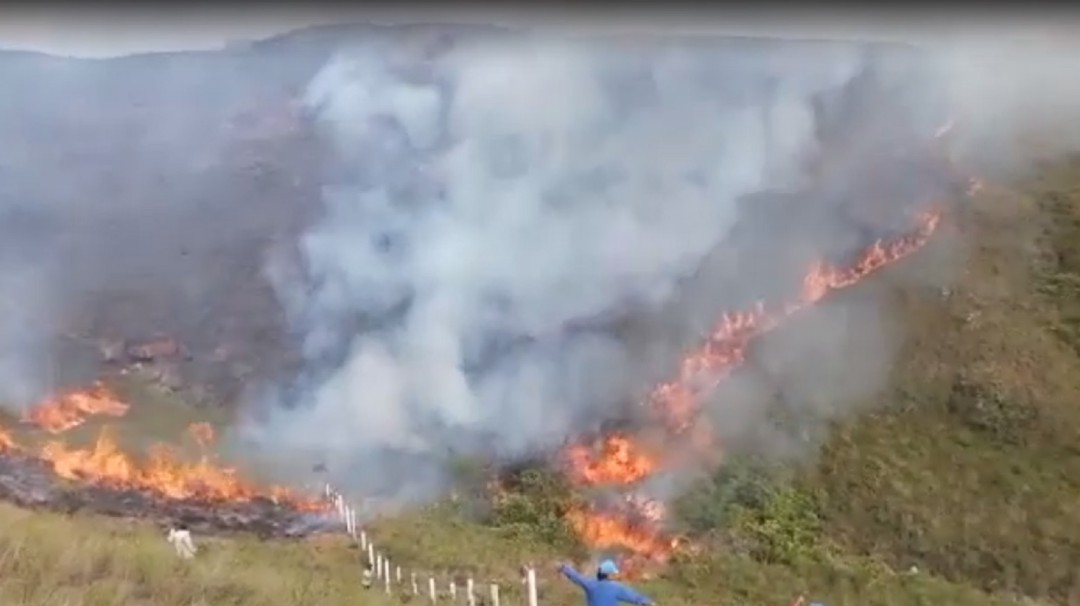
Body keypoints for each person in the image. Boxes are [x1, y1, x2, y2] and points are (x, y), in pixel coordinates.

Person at [557, 559, 654, 606]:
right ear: (609, 574)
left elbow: (577, 577)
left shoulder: (591, 584)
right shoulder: (617, 588)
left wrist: (564, 568)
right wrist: (648, 602)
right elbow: (635, 598)